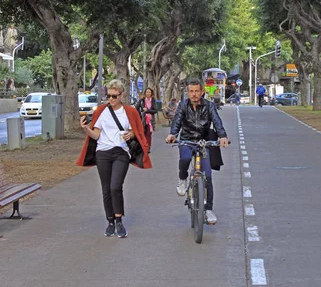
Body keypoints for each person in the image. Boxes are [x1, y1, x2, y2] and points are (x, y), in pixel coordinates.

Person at [76, 79, 151, 238]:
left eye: (114, 96)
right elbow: (96, 134)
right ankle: (110, 221)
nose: (110, 99)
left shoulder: (130, 111)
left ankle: (119, 220)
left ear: (121, 95)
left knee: (115, 186)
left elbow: (136, 131)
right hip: (103, 152)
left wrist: (130, 134)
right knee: (106, 188)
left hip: (121, 152)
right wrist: (85, 129)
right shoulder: (101, 111)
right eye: (108, 96)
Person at [165, 79, 229, 225]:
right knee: (186, 159)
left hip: (203, 142)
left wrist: (223, 136)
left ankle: (208, 209)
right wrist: (173, 134)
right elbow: (177, 121)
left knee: (208, 176)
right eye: (191, 91)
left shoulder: (209, 106)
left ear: (202, 92)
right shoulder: (183, 105)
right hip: (187, 140)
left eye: (196, 91)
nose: (194, 94)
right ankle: (182, 179)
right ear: (187, 92)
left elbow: (217, 122)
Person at [135, 87, 158, 152]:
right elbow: (136, 108)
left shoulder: (153, 100)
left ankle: (148, 147)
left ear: (151, 93)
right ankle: (142, 146)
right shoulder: (142, 100)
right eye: (147, 92)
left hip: (150, 121)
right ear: (145, 93)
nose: (148, 93)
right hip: (143, 120)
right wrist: (139, 115)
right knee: (142, 133)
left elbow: (155, 110)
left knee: (148, 134)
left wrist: (147, 110)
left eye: (149, 92)